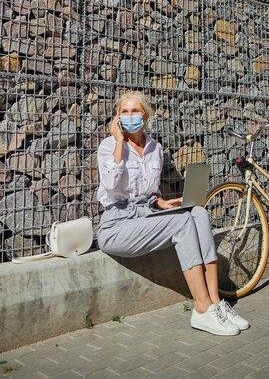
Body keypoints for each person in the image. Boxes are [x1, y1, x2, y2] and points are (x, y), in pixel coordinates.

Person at [96, 90, 250, 336]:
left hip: (145, 216)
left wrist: (161, 203)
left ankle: (215, 302)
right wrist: (118, 143)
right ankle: (201, 309)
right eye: (124, 111)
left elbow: (150, 191)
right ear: (117, 118)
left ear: (145, 115)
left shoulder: (154, 147)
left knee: (198, 213)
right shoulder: (108, 147)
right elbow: (112, 186)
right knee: (181, 224)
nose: (129, 115)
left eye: (135, 110)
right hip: (117, 225)